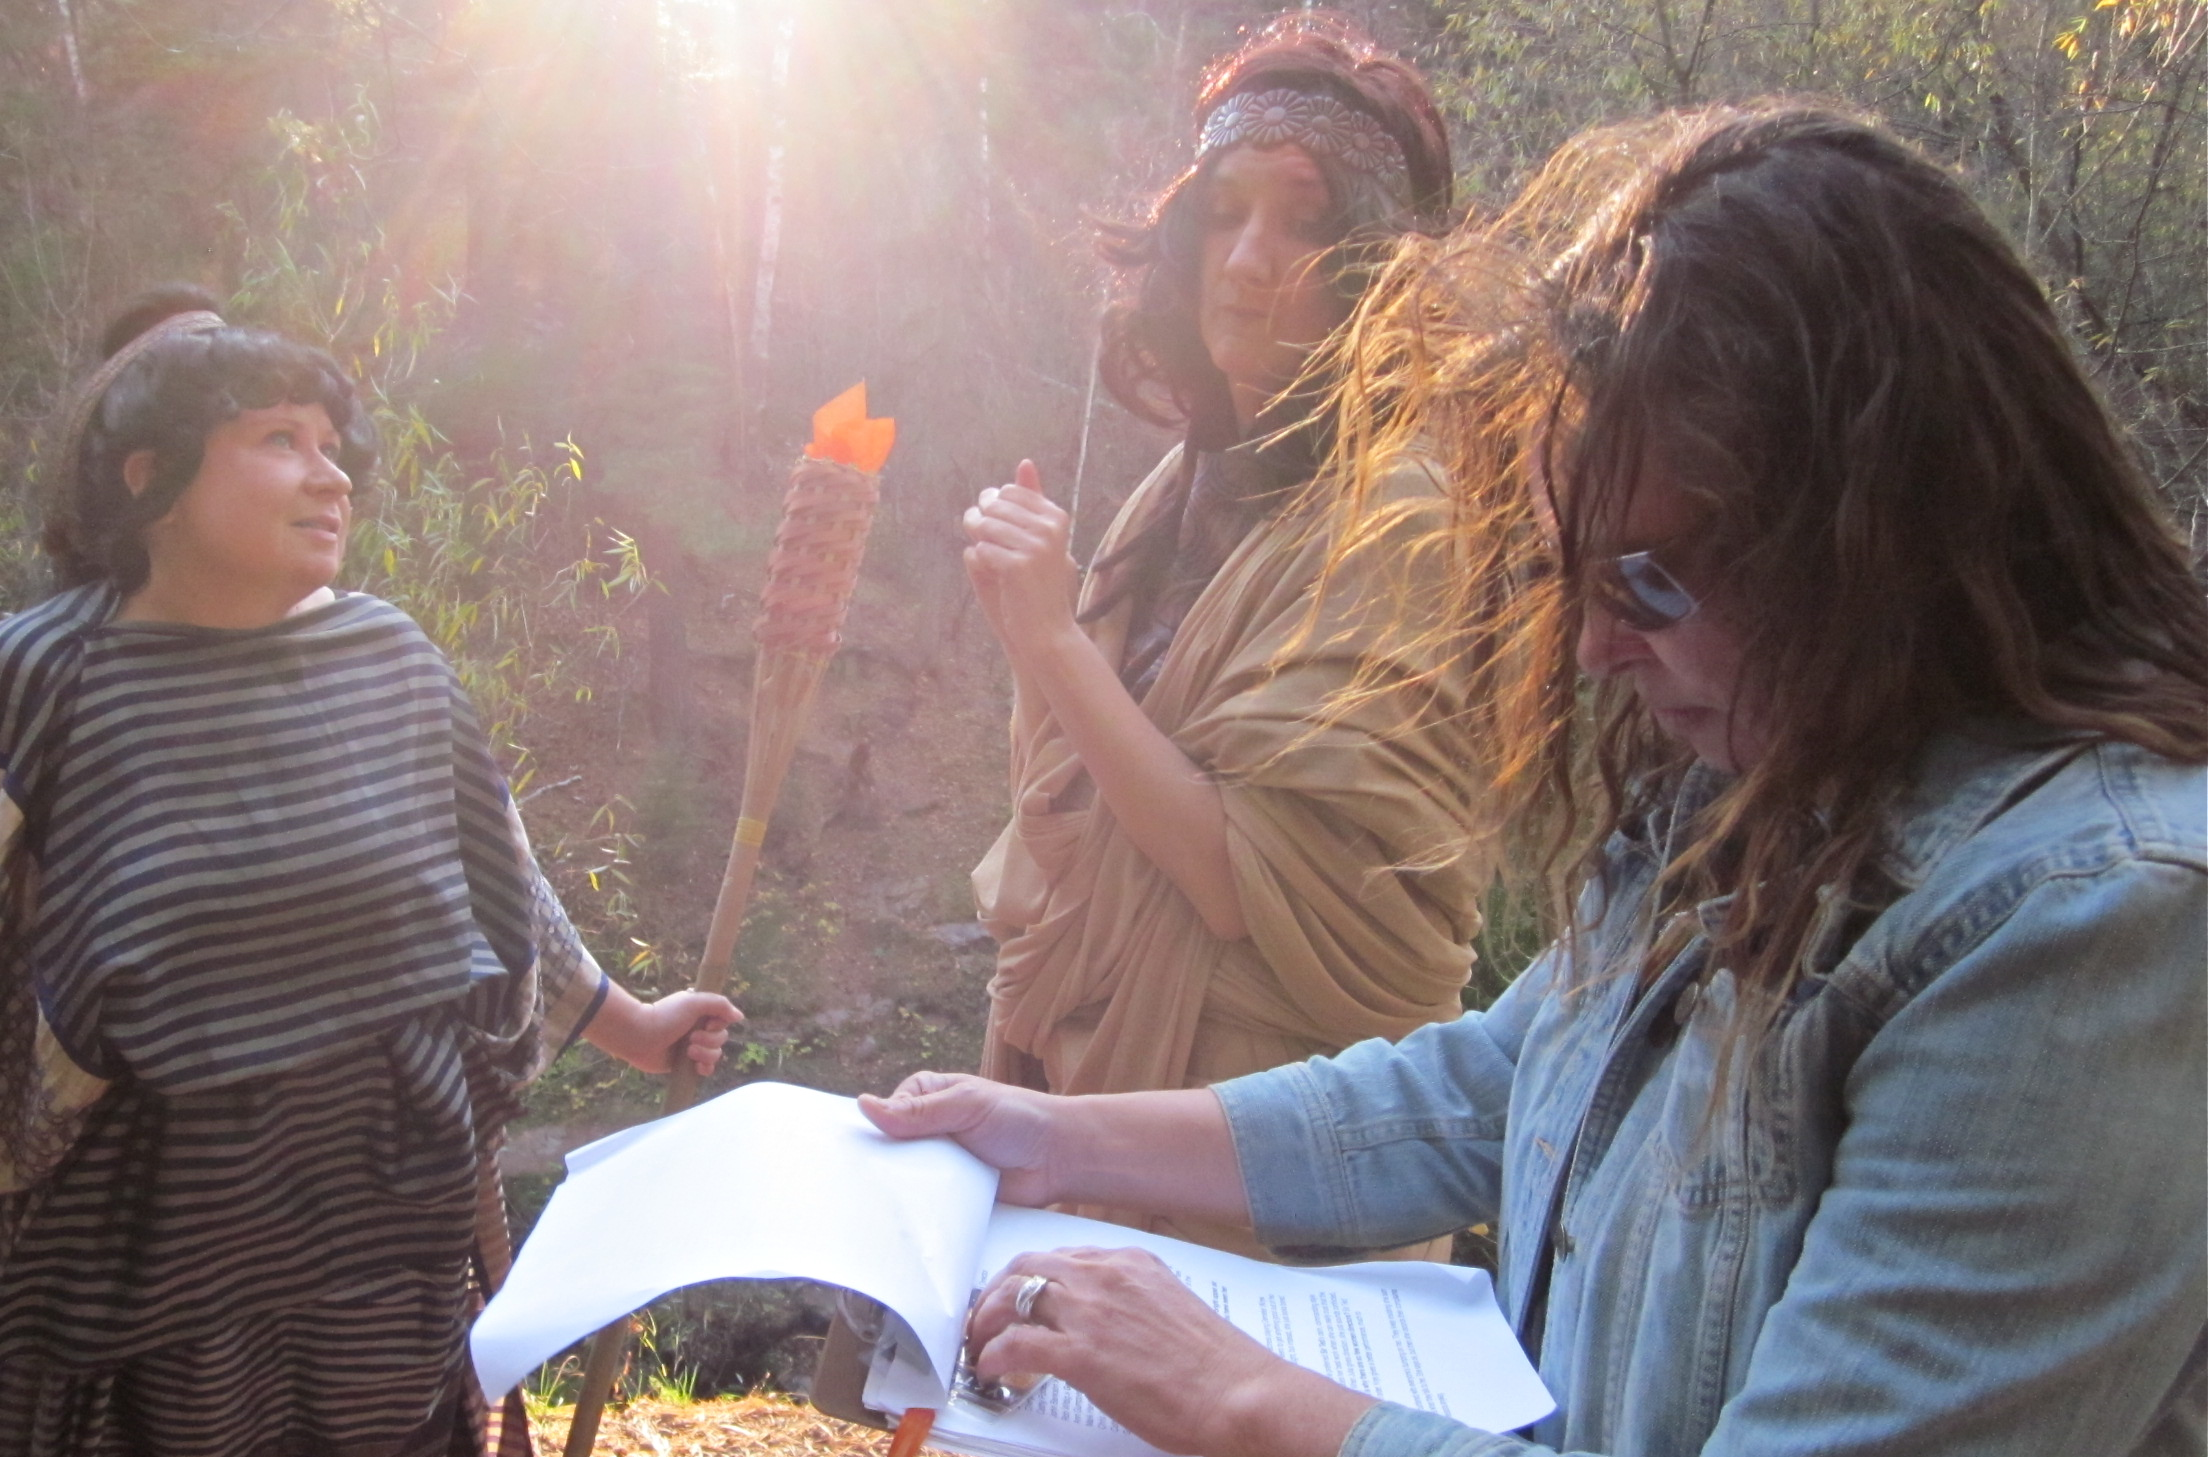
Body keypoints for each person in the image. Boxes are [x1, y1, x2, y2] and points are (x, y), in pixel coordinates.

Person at [871, 103, 2208, 1456]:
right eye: (1573, 574)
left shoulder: (2094, 934)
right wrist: (1067, 1136)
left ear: (1875, 527)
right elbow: (1497, 1079)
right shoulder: (1763, 775)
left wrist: (1240, 1395)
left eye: (1647, 578)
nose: (1594, 648)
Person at [0, 290, 741, 1457]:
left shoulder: (392, 663)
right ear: (150, 477)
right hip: (135, 1284)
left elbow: (505, 895)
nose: (332, 476)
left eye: (332, 445)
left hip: (379, 1267)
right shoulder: (47, 675)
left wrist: (639, 1026)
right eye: (279, 439)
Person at [958, 14, 1481, 1254]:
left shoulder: (1401, 518)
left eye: (1306, 222)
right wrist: (1046, 639)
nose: (1249, 261)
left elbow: (1254, 885)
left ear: (1379, 268)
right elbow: (1076, 815)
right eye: (1226, 213)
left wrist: (1054, 643)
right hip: (1095, 1115)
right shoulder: (1179, 490)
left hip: (1263, 1174)